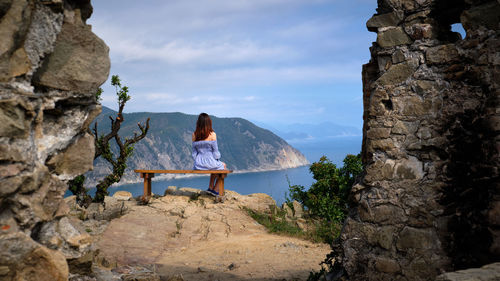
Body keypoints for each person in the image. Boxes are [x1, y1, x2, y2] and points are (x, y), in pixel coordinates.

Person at [192, 113, 227, 196]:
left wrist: (198, 160)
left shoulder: (194, 134)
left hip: (198, 164)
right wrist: (217, 159)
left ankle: (210, 188)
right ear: (209, 123)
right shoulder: (212, 134)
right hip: (210, 161)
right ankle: (215, 189)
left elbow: (194, 153)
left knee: (215, 167)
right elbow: (216, 153)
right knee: (223, 167)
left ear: (198, 123)